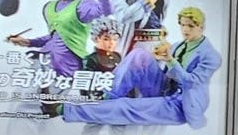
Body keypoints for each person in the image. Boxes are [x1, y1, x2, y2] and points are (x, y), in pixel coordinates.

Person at [62, 7, 223, 127]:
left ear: (201, 27)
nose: (185, 30)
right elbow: (167, 70)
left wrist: (171, 60)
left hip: (181, 103)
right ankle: (108, 96)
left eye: (190, 26)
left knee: (127, 106)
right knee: (139, 55)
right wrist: (156, 59)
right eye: (182, 25)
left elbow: (191, 82)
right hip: (166, 88)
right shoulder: (178, 46)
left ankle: (67, 110)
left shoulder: (211, 56)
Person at [8, 0, 117, 78]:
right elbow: (55, 36)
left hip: (66, 66)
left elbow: (107, 9)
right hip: (43, 62)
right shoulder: (50, 6)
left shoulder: (83, 5)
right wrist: (28, 42)